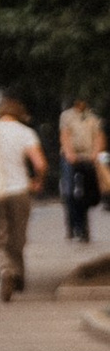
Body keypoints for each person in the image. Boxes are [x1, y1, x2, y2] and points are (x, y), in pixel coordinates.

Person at [0, 96, 50, 299]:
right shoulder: (25, 132)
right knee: (17, 238)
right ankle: (18, 276)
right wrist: (37, 181)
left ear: (0, 112)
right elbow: (40, 164)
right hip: (19, 191)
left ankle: (4, 270)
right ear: (20, 115)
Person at [59, 94, 104, 248]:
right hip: (71, 157)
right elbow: (65, 135)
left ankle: (83, 226)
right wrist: (69, 153)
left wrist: (95, 153)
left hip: (88, 157)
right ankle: (73, 226)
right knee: (70, 192)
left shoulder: (92, 117)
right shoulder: (67, 116)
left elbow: (98, 137)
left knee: (89, 195)